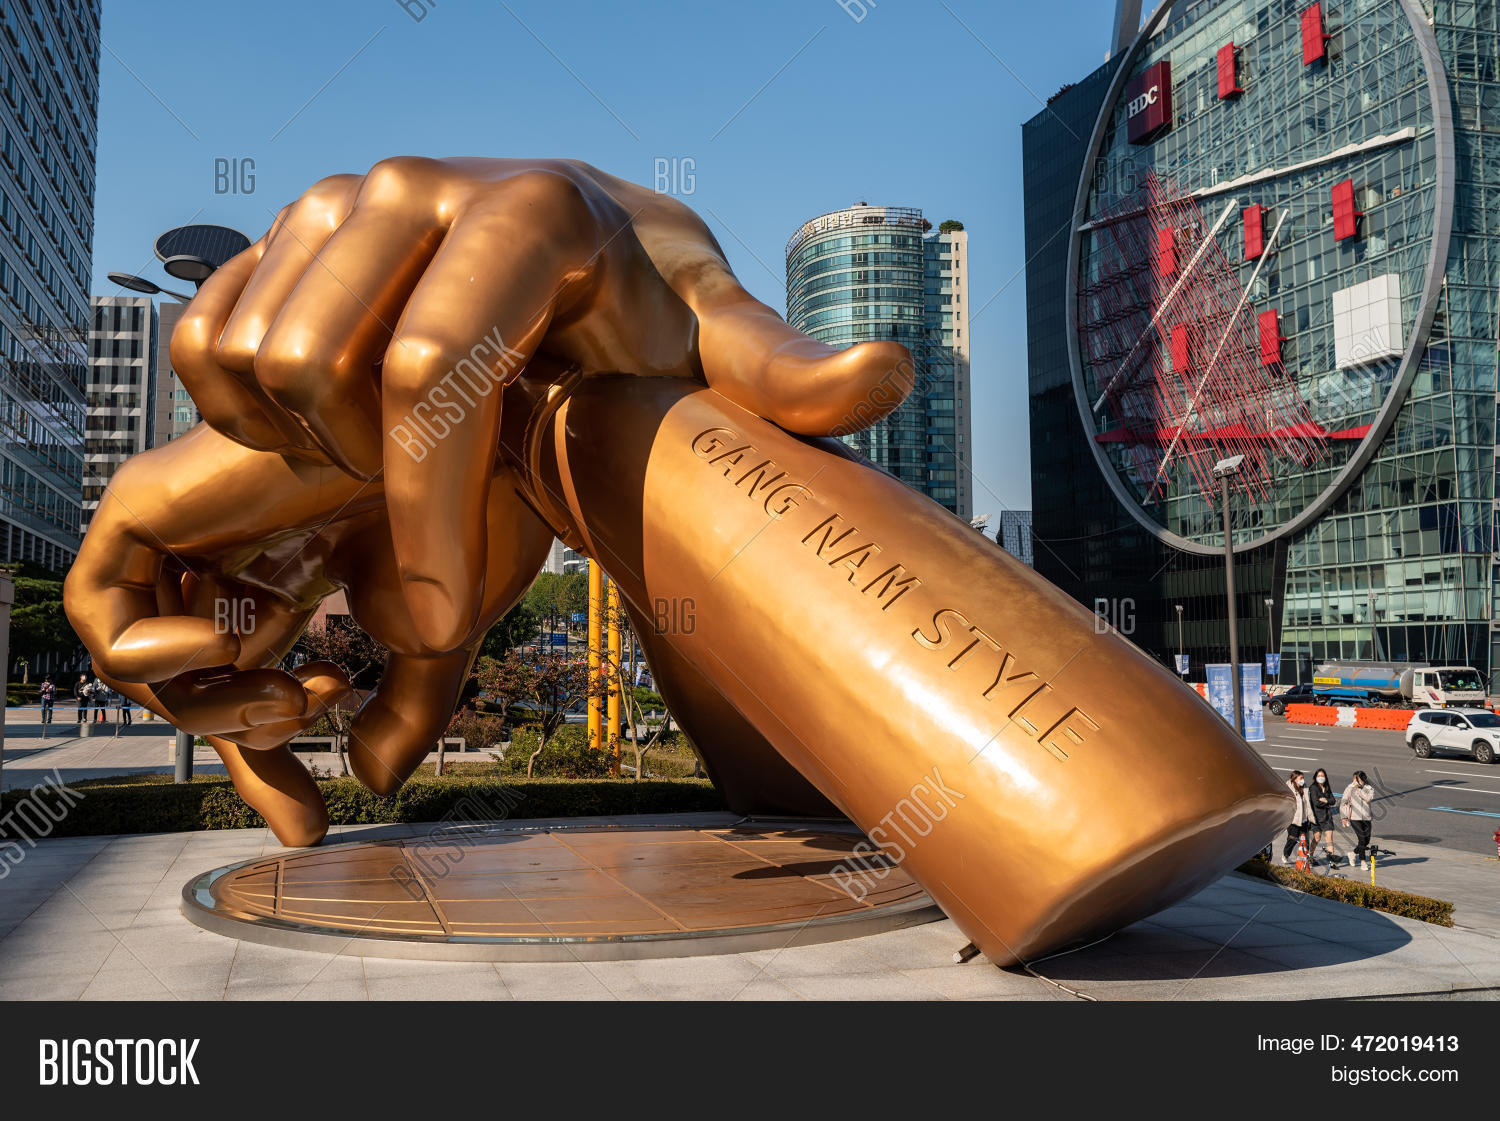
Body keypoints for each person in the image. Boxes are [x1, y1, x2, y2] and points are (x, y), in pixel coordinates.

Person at [1341, 770, 1375, 869]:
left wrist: (1359, 790)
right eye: (1354, 779)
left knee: (1366, 840)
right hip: (1354, 817)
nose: (1355, 781)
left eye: (1357, 779)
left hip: (1366, 817)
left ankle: (1353, 853)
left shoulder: (1369, 788)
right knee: (1362, 839)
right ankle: (1363, 862)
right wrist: (1344, 817)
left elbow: (1368, 798)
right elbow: (1343, 802)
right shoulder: (1350, 788)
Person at [1307, 767, 1341, 867]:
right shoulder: (1313, 788)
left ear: (1325, 777)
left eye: (1322, 776)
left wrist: (1325, 800)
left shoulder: (1327, 787)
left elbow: (1333, 801)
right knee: (1317, 838)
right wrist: (1327, 802)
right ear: (1315, 777)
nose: (1321, 777)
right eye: (1319, 776)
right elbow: (1316, 803)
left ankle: (1331, 861)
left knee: (1329, 838)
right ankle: (1310, 858)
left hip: (1327, 817)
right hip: (1316, 818)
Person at [1282, 769, 1313, 866]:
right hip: (1293, 820)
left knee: (1305, 841)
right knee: (1293, 839)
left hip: (1304, 819)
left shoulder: (1304, 788)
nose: (1302, 780)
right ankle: (1285, 854)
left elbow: (1308, 803)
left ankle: (1306, 860)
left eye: (1303, 778)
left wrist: (1310, 817)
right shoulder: (1289, 789)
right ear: (1295, 779)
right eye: (1301, 778)